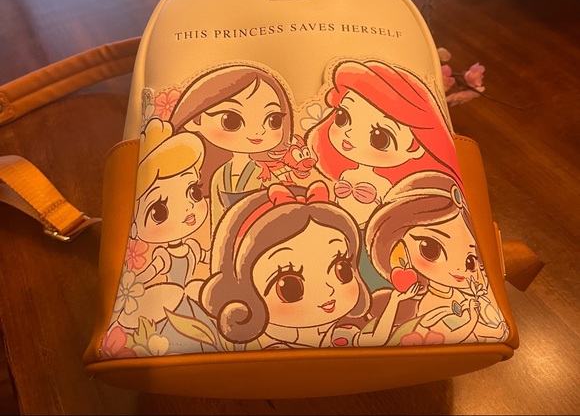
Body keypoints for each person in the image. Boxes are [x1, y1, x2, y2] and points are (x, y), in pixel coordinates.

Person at [198, 181, 418, 350]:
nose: (328, 290)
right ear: (244, 290)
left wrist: (394, 301)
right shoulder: (268, 346)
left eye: (341, 269)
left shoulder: (340, 334)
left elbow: (374, 339)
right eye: (289, 286)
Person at [305, 59, 464, 290]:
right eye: (343, 117)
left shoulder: (390, 188)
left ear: (414, 147)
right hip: (337, 238)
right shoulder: (343, 176)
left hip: (369, 242)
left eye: (380, 137)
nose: (349, 135)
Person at [365, 170, 509, 345]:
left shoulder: (461, 294)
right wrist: (472, 318)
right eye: (431, 249)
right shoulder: (430, 303)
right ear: (398, 247)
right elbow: (443, 334)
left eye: (470, 260)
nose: (458, 268)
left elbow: (490, 331)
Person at [111, 117, 210, 345]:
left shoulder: (192, 247)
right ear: (134, 224)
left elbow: (211, 259)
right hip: (170, 304)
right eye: (158, 211)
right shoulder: (163, 256)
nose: (187, 209)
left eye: (194, 192)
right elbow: (145, 276)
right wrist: (129, 295)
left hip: (191, 298)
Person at [169, 64, 294, 236]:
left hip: (262, 232)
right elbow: (217, 213)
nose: (258, 132)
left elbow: (280, 202)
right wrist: (216, 239)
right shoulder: (219, 175)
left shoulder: (263, 172)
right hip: (230, 233)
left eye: (273, 120)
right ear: (195, 120)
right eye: (231, 120)